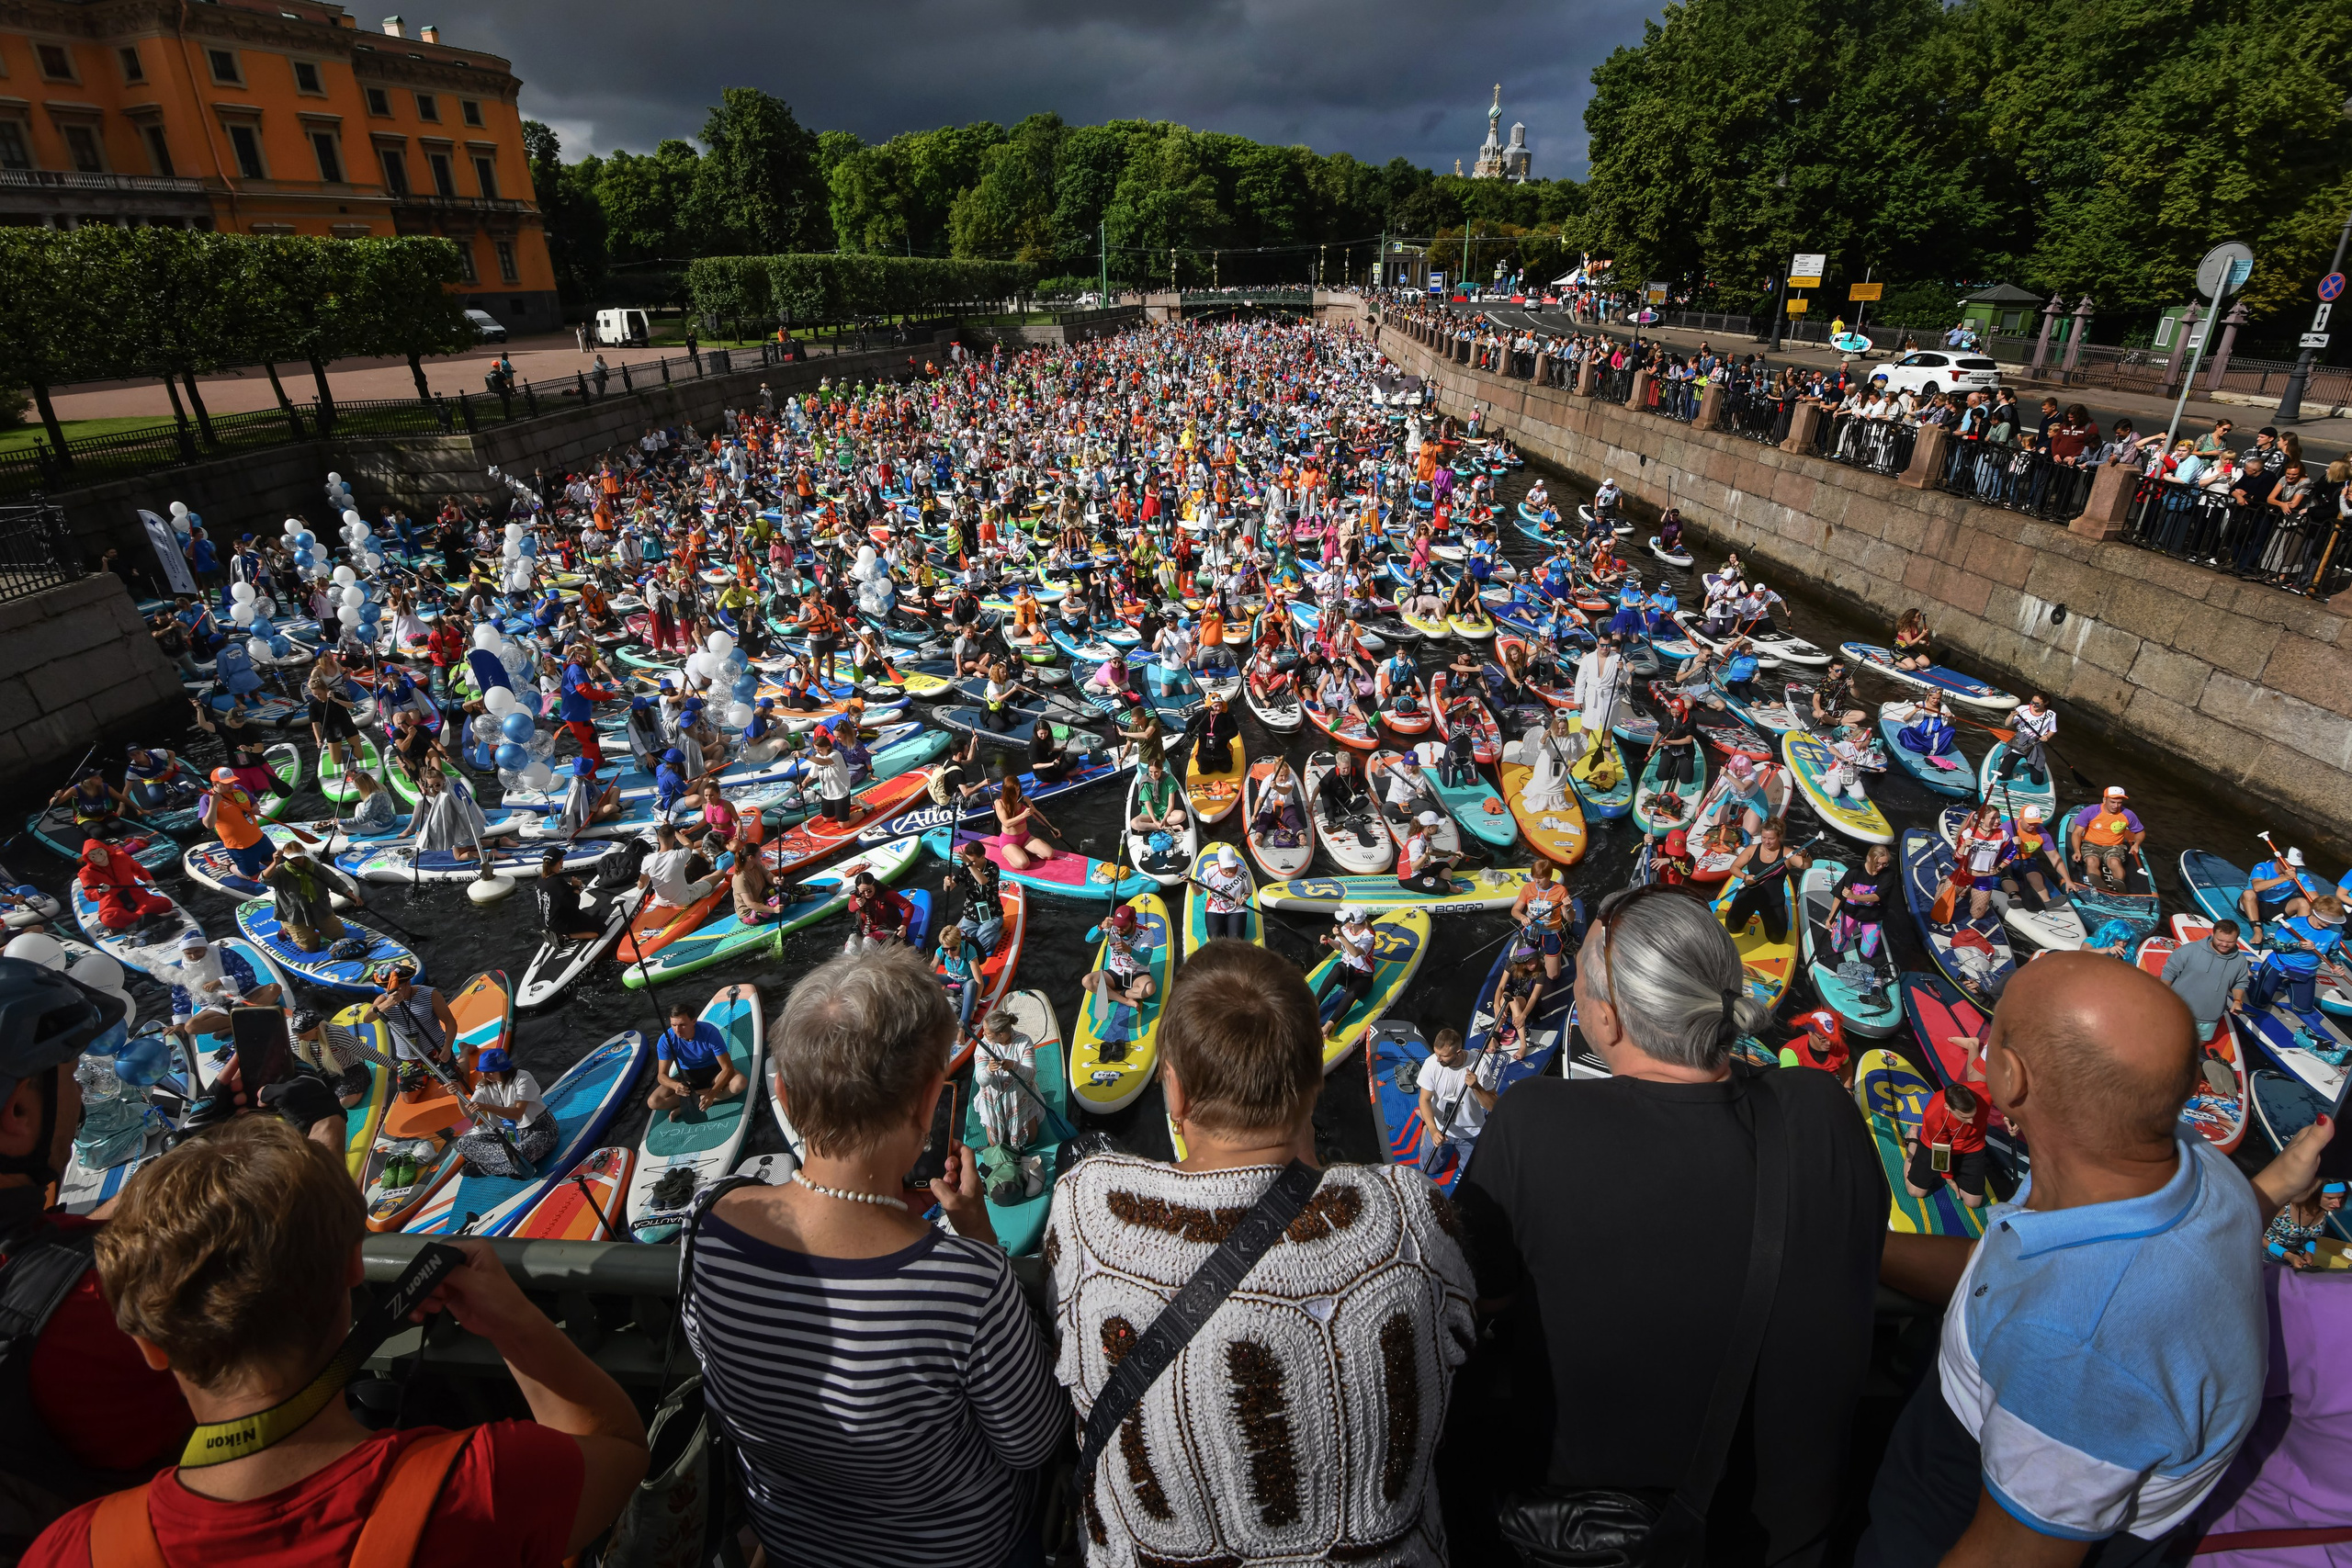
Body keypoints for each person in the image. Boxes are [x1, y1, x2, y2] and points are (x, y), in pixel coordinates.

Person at [1451, 885, 1885, 1565]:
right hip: (1792, 1536)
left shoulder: (1536, 1123)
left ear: (1609, 1018)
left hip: (1595, 1534)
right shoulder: (1822, 1111)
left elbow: (1481, 1298)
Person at [27, 1116, 647, 1567]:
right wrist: (513, 1320)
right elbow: (617, 1449)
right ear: (355, 1271)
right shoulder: (482, 1484)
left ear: (149, 1345)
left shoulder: (71, 1548)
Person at [1049, 939, 1473, 1565]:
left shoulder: (1087, 1204)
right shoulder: (1407, 1212)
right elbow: (1464, 1333)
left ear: (1176, 1093)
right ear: (1313, 1084)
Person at [1859, 953, 2267, 1567]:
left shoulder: (2077, 1344)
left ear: (2011, 1079)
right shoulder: (2200, 1170)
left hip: (1949, 1516)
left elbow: (2008, 1556)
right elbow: (2008, 1266)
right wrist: (1865, 1250)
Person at [684, 949, 1059, 1568]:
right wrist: (980, 1242)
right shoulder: (969, 1281)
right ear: (926, 1104)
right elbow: (1034, 1442)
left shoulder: (707, 1224)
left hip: (793, 1543)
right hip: (962, 1554)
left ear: (783, 1091)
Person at [0, 959, 192, 1554]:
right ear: (18, 1116)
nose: (80, 1090)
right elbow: (274, 1378)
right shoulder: (100, 1305)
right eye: (64, 1074)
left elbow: (47, 1244)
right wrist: (320, 1141)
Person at [452, 1047, 556, 1177]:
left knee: (522, 1151)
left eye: (490, 1072)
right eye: (483, 1072)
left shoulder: (523, 1078)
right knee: (464, 1144)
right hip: (509, 1133)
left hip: (538, 1129)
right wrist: (458, 1095)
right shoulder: (484, 1085)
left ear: (503, 1069)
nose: (485, 1076)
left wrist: (486, 1106)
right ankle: (511, 1165)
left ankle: (486, 1166)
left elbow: (517, 1113)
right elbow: (468, 1112)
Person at [650, 999, 747, 1118]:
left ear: (694, 1021)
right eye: (673, 1025)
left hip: (714, 1072)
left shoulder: (710, 1032)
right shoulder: (665, 1039)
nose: (677, 1030)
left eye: (682, 1025)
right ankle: (699, 1098)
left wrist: (712, 1094)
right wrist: (675, 1086)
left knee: (739, 1084)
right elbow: (661, 1075)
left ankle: (690, 1103)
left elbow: (727, 1068)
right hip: (687, 1076)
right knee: (653, 1102)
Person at [2160, 918, 2251, 1043]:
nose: (2224, 944)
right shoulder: (2190, 950)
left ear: (2236, 940)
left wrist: (2237, 1001)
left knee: (2198, 1044)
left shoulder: (2240, 961)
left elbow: (2241, 982)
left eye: (2230, 942)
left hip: (2209, 1018)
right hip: (2176, 1011)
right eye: (2220, 940)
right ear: (2213, 934)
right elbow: (2169, 972)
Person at [75, 841, 174, 935]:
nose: (99, 858)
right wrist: (99, 891)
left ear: (106, 850)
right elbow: (89, 894)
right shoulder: (85, 872)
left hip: (139, 897)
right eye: (93, 856)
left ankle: (129, 925)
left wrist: (148, 879)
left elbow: (139, 870)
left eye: (100, 853)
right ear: (88, 858)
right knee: (109, 918)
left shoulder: (122, 857)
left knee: (164, 903)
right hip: (113, 904)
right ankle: (154, 918)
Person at [2068, 785, 2145, 896]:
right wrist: (2077, 851)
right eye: (2113, 802)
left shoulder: (2128, 814)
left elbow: (2140, 832)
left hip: (2114, 846)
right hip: (2091, 844)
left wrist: (2137, 844)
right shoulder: (2091, 811)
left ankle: (2119, 884)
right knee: (2091, 861)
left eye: (2119, 802)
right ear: (2104, 800)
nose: (2116, 806)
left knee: (2114, 862)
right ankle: (2100, 886)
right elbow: (2077, 833)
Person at [1080, 902, 1155, 1009]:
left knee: (1149, 989)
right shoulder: (1112, 927)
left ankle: (1114, 993)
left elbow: (1145, 960)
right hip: (1115, 973)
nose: (1119, 929)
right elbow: (1089, 940)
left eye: (1123, 927)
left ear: (1134, 922)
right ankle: (1126, 1000)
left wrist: (1130, 950)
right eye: (1118, 925)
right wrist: (1100, 927)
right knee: (1087, 981)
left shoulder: (1146, 934)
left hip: (1137, 974)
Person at [1195, 842, 1252, 941]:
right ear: (1219, 863)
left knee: (1236, 941)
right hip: (1215, 909)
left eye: (1231, 866)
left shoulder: (1244, 873)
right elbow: (1198, 892)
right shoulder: (1210, 872)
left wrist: (1243, 899)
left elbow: (1248, 892)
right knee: (1216, 940)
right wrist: (1191, 883)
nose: (1229, 870)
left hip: (1237, 909)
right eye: (1226, 867)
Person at [2001, 692, 2058, 787]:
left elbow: (2053, 730)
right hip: (2019, 744)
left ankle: (2030, 765)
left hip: (2034, 746)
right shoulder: (2022, 709)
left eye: (2037, 703)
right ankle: (2008, 762)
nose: (2033, 705)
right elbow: (2007, 724)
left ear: (2046, 703)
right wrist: (2012, 716)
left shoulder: (2051, 715)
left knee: (2037, 781)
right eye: (2032, 702)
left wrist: (2047, 736)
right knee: (2002, 776)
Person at [1397, 809, 1457, 896]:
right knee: (1443, 887)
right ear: (1429, 827)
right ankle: (1446, 886)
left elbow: (1433, 851)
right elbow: (1414, 867)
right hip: (1410, 877)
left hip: (1423, 870)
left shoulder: (1426, 837)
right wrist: (1425, 855)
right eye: (1436, 825)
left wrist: (1453, 853)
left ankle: (1448, 885)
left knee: (1445, 865)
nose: (1438, 827)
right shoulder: (1417, 842)